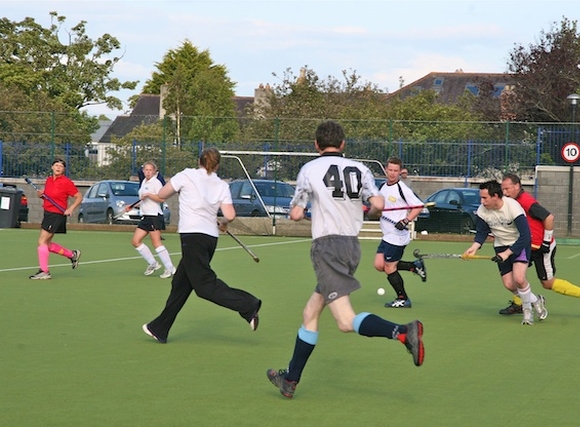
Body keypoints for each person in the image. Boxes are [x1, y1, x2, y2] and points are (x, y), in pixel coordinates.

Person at [266, 121, 424, 399]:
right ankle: (290, 380)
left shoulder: (309, 170)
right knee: (310, 313)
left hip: (327, 247)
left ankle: (402, 332)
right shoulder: (360, 169)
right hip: (352, 247)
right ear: (342, 145)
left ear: (316, 145)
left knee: (344, 320)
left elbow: (294, 213)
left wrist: (303, 212)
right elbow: (377, 205)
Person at [142, 147, 262, 344]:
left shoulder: (186, 175)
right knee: (180, 284)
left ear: (199, 161)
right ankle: (160, 327)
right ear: (217, 166)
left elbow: (162, 194)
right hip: (209, 239)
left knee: (204, 286)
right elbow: (230, 215)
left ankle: (249, 305)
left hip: (192, 237)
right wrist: (223, 223)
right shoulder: (221, 185)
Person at [500, 174, 580, 315]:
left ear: (517, 186)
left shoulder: (526, 201)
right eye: (503, 189)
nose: (505, 193)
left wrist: (545, 242)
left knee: (547, 283)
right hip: (527, 245)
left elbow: (549, 218)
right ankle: (520, 302)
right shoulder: (511, 202)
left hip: (541, 247)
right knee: (516, 275)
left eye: (507, 189)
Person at [462, 180, 547, 325]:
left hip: (519, 244)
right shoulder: (483, 210)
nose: (482, 201)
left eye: (485, 198)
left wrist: (508, 253)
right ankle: (535, 300)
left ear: (495, 196)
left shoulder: (513, 207)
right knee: (509, 284)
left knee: (519, 279)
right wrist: (474, 247)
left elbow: (525, 236)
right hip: (500, 245)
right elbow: (482, 232)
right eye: (481, 198)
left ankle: (527, 313)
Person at [374, 157, 426, 308]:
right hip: (387, 234)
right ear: (386, 169)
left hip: (397, 237)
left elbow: (418, 206)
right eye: (390, 170)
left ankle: (402, 298)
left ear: (400, 171)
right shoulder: (383, 187)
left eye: (395, 171)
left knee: (389, 268)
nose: (392, 173)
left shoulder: (402, 189)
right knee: (379, 265)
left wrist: (405, 220)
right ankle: (414, 266)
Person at [29, 158, 82, 280]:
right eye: (56, 165)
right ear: (52, 167)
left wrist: (71, 208)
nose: (58, 167)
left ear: (63, 169)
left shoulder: (66, 182)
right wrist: (41, 196)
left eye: (61, 166)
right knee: (46, 244)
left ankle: (44, 271)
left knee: (41, 242)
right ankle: (72, 254)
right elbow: (49, 197)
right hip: (48, 213)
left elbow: (79, 196)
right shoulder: (48, 180)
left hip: (57, 214)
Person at [128, 161, 175, 278]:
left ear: (154, 171)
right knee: (135, 241)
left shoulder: (156, 183)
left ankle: (170, 268)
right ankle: (153, 263)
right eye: (146, 170)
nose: (148, 172)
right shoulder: (144, 182)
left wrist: (149, 195)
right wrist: (132, 206)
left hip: (154, 216)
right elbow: (144, 201)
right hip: (145, 216)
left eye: (150, 170)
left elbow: (161, 198)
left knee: (156, 243)